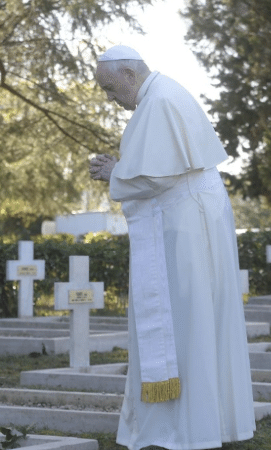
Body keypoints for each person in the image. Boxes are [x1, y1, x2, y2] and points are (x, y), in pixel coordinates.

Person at [89, 45, 256, 450]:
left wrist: (115, 172)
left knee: (189, 323)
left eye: (111, 89)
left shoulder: (160, 101)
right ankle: (205, 424)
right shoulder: (160, 96)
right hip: (192, 219)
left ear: (129, 73)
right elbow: (157, 170)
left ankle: (185, 428)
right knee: (199, 323)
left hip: (185, 227)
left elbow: (155, 179)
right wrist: (123, 171)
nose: (111, 98)